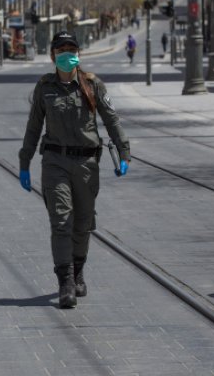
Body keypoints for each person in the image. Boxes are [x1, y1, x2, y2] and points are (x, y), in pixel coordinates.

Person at [19, 31, 130, 309]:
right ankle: (65, 281)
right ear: (53, 55)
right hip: (55, 162)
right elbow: (34, 126)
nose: (67, 54)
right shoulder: (45, 87)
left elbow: (111, 119)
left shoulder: (92, 85)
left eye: (71, 49)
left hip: (86, 165)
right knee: (61, 221)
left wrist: (124, 151)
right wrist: (24, 162)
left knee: (83, 223)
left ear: (78, 53)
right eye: (61, 50)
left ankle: (78, 270)